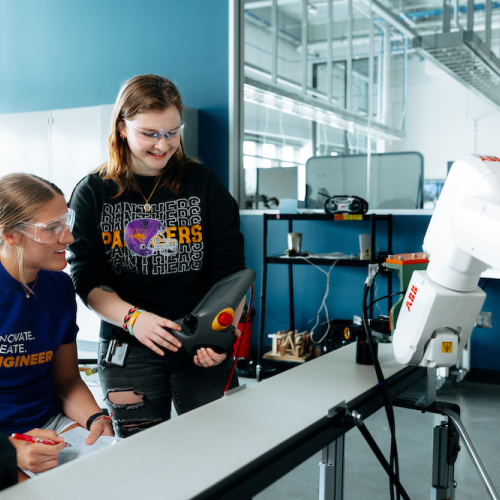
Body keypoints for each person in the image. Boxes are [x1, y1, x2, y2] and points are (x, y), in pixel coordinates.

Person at [68, 74, 246, 438]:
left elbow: (230, 272)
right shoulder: (93, 192)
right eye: (150, 133)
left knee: (218, 449)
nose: (163, 145)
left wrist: (222, 333)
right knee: (142, 458)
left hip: (200, 341)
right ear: (121, 127)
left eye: (172, 132)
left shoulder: (203, 183)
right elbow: (87, 278)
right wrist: (134, 318)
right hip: (128, 347)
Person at [0, 173, 113, 474]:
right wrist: (10, 451)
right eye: (52, 229)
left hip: (51, 426)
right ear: (10, 235)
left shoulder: (60, 287)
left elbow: (66, 380)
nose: (68, 237)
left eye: (66, 222)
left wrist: (94, 418)